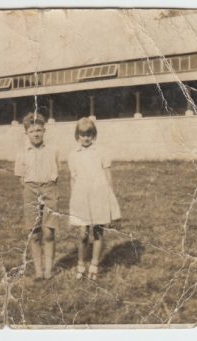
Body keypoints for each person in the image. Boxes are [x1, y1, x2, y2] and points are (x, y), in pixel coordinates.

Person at [68, 117, 121, 281]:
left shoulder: (101, 152)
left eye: (89, 134)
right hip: (82, 196)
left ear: (94, 135)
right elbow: (73, 178)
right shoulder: (73, 154)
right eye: (83, 134)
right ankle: (81, 264)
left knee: (98, 231)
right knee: (83, 233)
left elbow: (107, 174)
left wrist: (110, 196)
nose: (86, 137)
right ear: (77, 135)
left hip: (99, 194)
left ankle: (94, 265)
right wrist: (73, 198)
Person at [15, 112, 59, 281]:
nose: (36, 134)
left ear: (44, 130)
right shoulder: (22, 152)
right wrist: (32, 190)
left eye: (39, 130)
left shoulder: (52, 150)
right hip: (30, 190)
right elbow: (21, 178)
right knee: (34, 232)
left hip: (49, 189)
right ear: (26, 133)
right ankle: (38, 271)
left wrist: (49, 190)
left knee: (49, 232)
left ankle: (48, 269)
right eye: (32, 131)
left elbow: (56, 173)